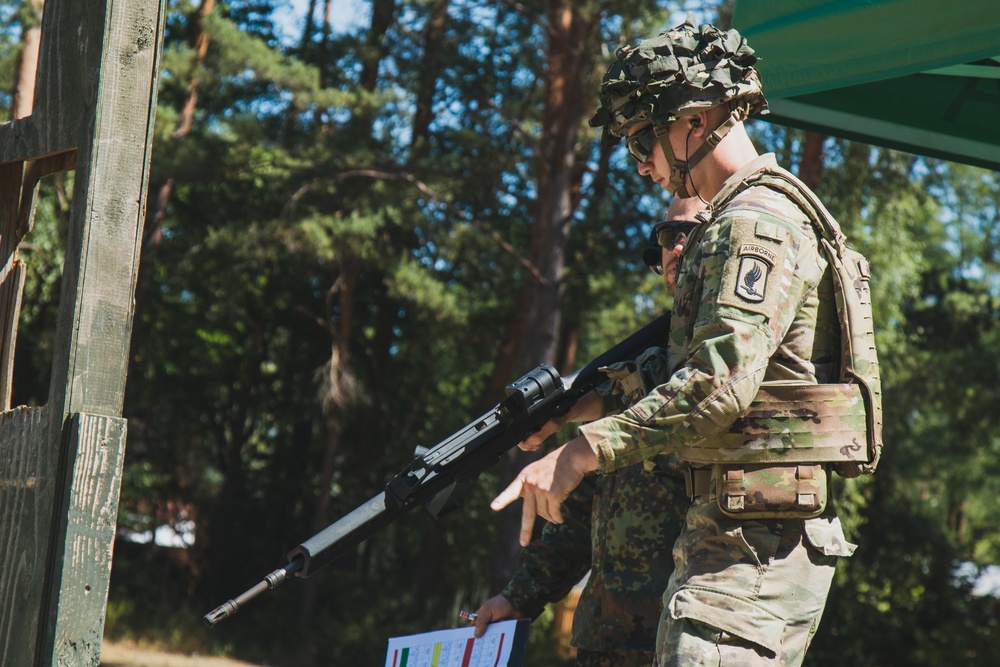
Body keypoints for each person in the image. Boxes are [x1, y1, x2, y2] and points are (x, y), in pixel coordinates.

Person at [490, 15, 882, 667]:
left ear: (694, 120)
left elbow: (714, 385)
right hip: (729, 555)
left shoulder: (753, 225)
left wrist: (582, 450)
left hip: (745, 565)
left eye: (643, 138)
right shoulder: (745, 219)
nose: (642, 164)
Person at [471, 197, 705, 667]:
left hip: (687, 638)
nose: (677, 248)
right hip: (606, 641)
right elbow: (581, 514)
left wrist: (577, 449)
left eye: (692, 233)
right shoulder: (647, 366)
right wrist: (518, 599)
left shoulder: (734, 362)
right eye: (667, 236)